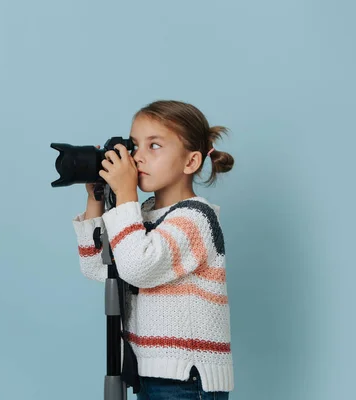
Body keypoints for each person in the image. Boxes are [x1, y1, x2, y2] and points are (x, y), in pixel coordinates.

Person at [72, 100, 235, 399]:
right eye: (135, 146)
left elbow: (138, 267)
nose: (138, 158)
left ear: (191, 162)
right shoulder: (140, 213)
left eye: (154, 146)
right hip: (149, 371)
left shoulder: (196, 218)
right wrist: (97, 197)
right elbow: (97, 267)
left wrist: (124, 194)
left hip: (187, 377)